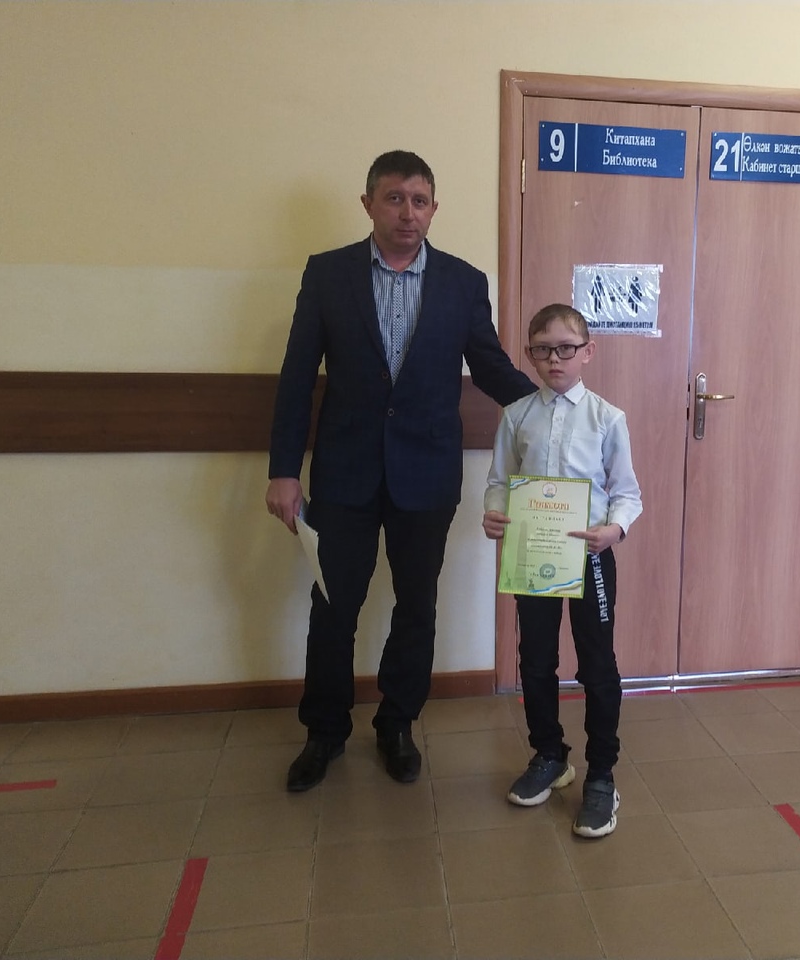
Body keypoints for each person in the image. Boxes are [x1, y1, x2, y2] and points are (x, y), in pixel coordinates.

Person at [267, 150, 536, 792]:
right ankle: (324, 731)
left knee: (417, 606)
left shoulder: (463, 282)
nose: (407, 213)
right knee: (335, 606)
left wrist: (553, 404)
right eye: (394, 199)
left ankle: (397, 724)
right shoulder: (328, 274)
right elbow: (297, 376)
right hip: (345, 473)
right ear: (368, 204)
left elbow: (490, 366)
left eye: (419, 201)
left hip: (427, 474)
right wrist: (284, 470)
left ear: (434, 209)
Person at [482, 303, 642, 838]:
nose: (555, 359)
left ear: (587, 352)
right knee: (535, 659)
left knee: (597, 665)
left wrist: (614, 530)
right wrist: (495, 513)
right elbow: (499, 481)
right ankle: (549, 755)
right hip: (534, 558)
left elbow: (627, 493)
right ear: (529, 355)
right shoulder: (516, 416)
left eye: (566, 348)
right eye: (542, 349)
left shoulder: (607, 418)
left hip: (590, 559)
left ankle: (601, 775)